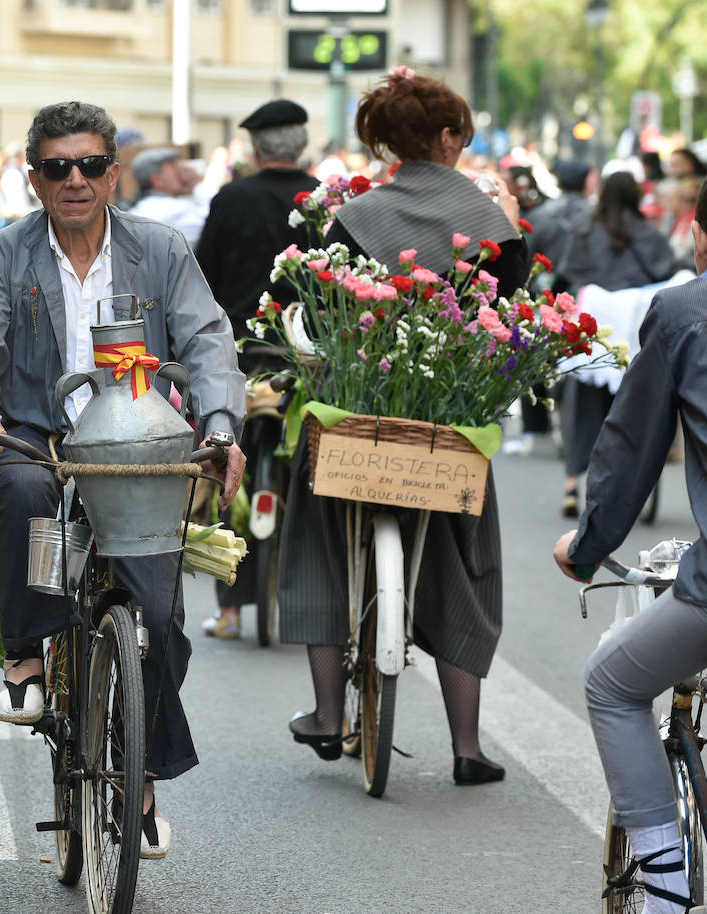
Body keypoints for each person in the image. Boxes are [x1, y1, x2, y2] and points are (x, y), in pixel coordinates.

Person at [0, 100, 246, 859]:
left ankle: (138, 785)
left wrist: (219, 425)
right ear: (34, 177)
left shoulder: (160, 248)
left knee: (158, 618)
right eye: (55, 167)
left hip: (135, 438)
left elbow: (207, 339)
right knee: (22, 494)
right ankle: (25, 656)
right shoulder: (9, 251)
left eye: (87, 165)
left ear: (113, 173)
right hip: (34, 432)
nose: (73, 180)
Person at [280, 68, 527, 786]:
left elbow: (302, 304)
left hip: (360, 413)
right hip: (447, 419)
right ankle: (468, 746)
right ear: (450, 137)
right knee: (466, 558)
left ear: (385, 141)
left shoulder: (356, 217)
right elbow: (515, 317)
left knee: (318, 533)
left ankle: (327, 713)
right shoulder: (491, 223)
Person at [553, 156, 707, 914]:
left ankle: (663, 892)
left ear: (699, 238)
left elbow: (629, 452)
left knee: (613, 683)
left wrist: (588, 547)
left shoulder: (686, 311)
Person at [193, 98, 318, 638]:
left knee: (227, 459)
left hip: (239, 353)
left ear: (257, 147)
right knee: (314, 468)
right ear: (303, 145)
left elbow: (200, 278)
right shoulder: (323, 202)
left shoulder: (231, 199)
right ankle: (313, 599)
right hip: (307, 355)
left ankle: (228, 609)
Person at [555, 171, 676, 518]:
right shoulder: (649, 235)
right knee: (638, 409)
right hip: (637, 335)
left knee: (580, 402)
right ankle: (638, 484)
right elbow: (668, 273)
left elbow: (565, 277)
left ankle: (571, 484)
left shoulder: (585, 232)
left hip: (593, 333)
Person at [126, 146, 207, 246]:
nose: (181, 171)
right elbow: (215, 220)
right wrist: (196, 182)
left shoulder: (143, 206)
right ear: (157, 180)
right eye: (173, 166)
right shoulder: (166, 207)